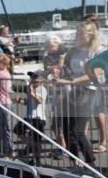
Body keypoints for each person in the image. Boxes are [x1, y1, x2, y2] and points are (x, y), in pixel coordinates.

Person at [57, 21, 102, 168]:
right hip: (72, 90)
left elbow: (95, 74)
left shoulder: (99, 51)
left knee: (77, 130)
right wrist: (58, 71)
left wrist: (72, 81)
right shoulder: (75, 50)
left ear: (89, 34)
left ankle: (91, 164)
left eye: (80, 34)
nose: (77, 36)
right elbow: (67, 68)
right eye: (77, 33)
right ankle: (74, 162)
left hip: (87, 91)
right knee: (66, 128)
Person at [17, 71, 48, 165]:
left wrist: (32, 92)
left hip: (38, 117)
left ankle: (37, 159)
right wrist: (20, 101)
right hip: (29, 116)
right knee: (18, 130)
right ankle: (30, 147)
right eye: (31, 77)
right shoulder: (32, 89)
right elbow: (28, 102)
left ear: (41, 80)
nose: (32, 79)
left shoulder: (42, 89)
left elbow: (39, 100)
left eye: (34, 77)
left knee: (37, 139)